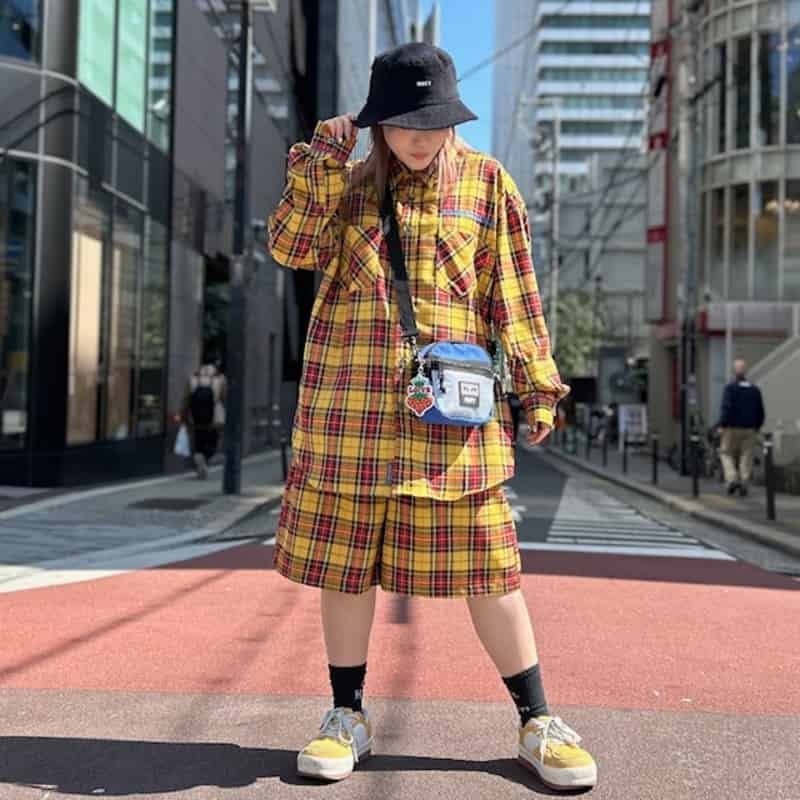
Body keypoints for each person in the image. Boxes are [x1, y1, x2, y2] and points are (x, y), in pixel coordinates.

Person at [267, 43, 596, 790]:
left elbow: (514, 292)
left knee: (491, 567)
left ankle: (538, 720)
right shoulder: (344, 183)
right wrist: (322, 157)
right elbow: (289, 246)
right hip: (348, 413)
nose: (420, 137)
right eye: (404, 122)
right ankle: (346, 714)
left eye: (436, 121)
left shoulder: (487, 183)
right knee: (346, 567)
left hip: (451, 423)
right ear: (377, 122)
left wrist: (538, 386)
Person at [717, 358, 765, 497]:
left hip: (732, 428)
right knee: (746, 456)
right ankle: (744, 481)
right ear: (746, 371)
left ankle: (732, 478)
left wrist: (722, 425)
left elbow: (726, 408)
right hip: (750, 429)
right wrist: (757, 426)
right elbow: (760, 411)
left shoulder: (730, 389)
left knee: (726, 453)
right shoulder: (754, 390)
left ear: (734, 371)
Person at [179, 359, 226, 479]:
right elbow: (223, 397)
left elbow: (186, 399)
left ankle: (199, 455)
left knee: (198, 439)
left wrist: (183, 415)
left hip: (195, 416)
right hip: (215, 417)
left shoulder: (192, 378)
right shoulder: (220, 379)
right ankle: (206, 457)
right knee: (212, 440)